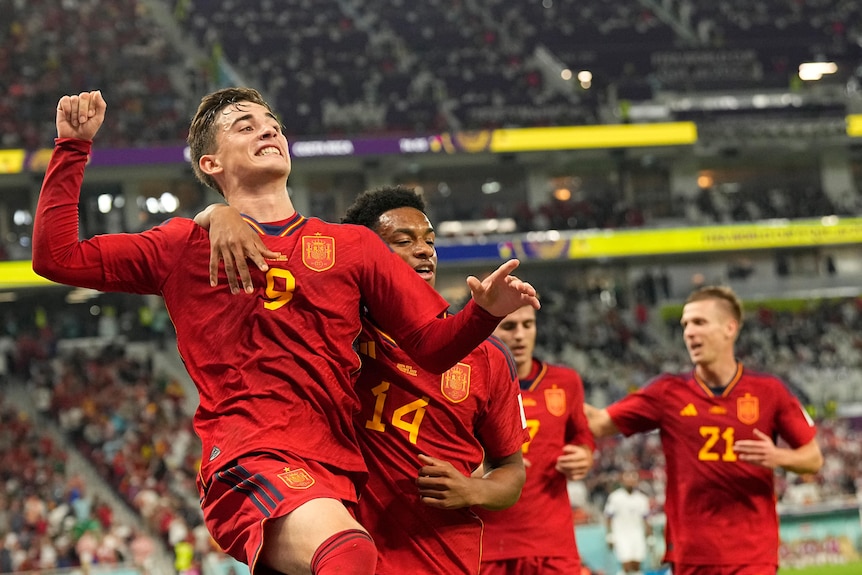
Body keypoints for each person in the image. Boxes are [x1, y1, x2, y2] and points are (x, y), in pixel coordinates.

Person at [32, 88, 539, 575]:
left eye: (273, 125)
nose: (267, 131)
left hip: (334, 474)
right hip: (248, 458)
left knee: (349, 551)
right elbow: (55, 257)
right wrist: (72, 148)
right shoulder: (183, 246)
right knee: (350, 554)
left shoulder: (352, 247)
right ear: (211, 163)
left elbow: (429, 348)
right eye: (244, 126)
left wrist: (483, 314)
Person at [201, 184, 530, 574]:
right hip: (334, 551)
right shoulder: (335, 336)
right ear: (368, 257)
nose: (425, 250)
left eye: (429, 240)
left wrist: (473, 489)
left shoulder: (487, 358)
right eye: (403, 241)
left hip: (440, 559)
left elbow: (511, 470)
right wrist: (216, 214)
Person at [585, 286, 823, 575]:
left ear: (729, 328)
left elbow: (813, 459)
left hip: (752, 553)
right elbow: (598, 422)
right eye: (685, 325)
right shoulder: (667, 391)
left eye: (699, 322)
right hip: (692, 555)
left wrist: (778, 456)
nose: (689, 332)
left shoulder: (769, 391)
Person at [476, 304, 595, 575]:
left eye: (527, 325)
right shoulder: (468, 383)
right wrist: (479, 466)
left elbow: (582, 433)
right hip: (489, 545)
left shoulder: (566, 382)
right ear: (486, 329)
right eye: (509, 326)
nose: (520, 335)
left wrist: (584, 453)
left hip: (552, 543)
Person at [603, 470, 651, 575]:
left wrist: (650, 536)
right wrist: (609, 535)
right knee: (627, 564)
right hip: (621, 535)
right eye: (627, 478)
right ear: (622, 480)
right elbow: (608, 517)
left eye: (633, 478)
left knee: (637, 565)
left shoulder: (641, 499)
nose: (630, 481)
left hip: (637, 534)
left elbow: (646, 519)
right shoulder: (615, 497)